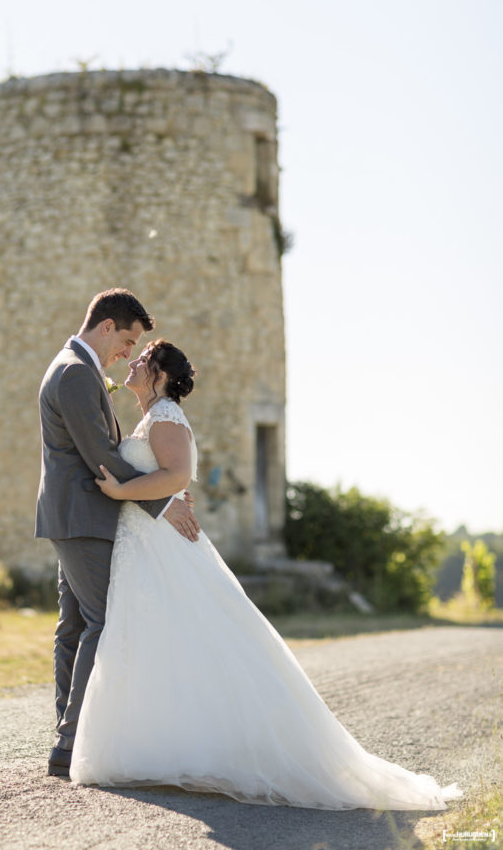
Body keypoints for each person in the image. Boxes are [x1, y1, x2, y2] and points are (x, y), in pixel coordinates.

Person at [69, 339, 462, 811]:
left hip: (161, 546)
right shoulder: (151, 416)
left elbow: (177, 477)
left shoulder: (168, 416)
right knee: (158, 639)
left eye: (142, 359)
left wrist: (121, 492)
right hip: (144, 544)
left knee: (195, 635)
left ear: (160, 376)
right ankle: (158, 745)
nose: (131, 363)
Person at [35, 290, 201, 778]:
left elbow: (111, 451)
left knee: (74, 626)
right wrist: (162, 500)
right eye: (129, 340)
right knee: (102, 621)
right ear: (106, 326)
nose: (129, 352)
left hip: (79, 515)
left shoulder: (77, 369)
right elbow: (99, 454)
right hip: (84, 516)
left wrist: (159, 489)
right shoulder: (74, 373)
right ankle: (71, 742)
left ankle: (70, 732)